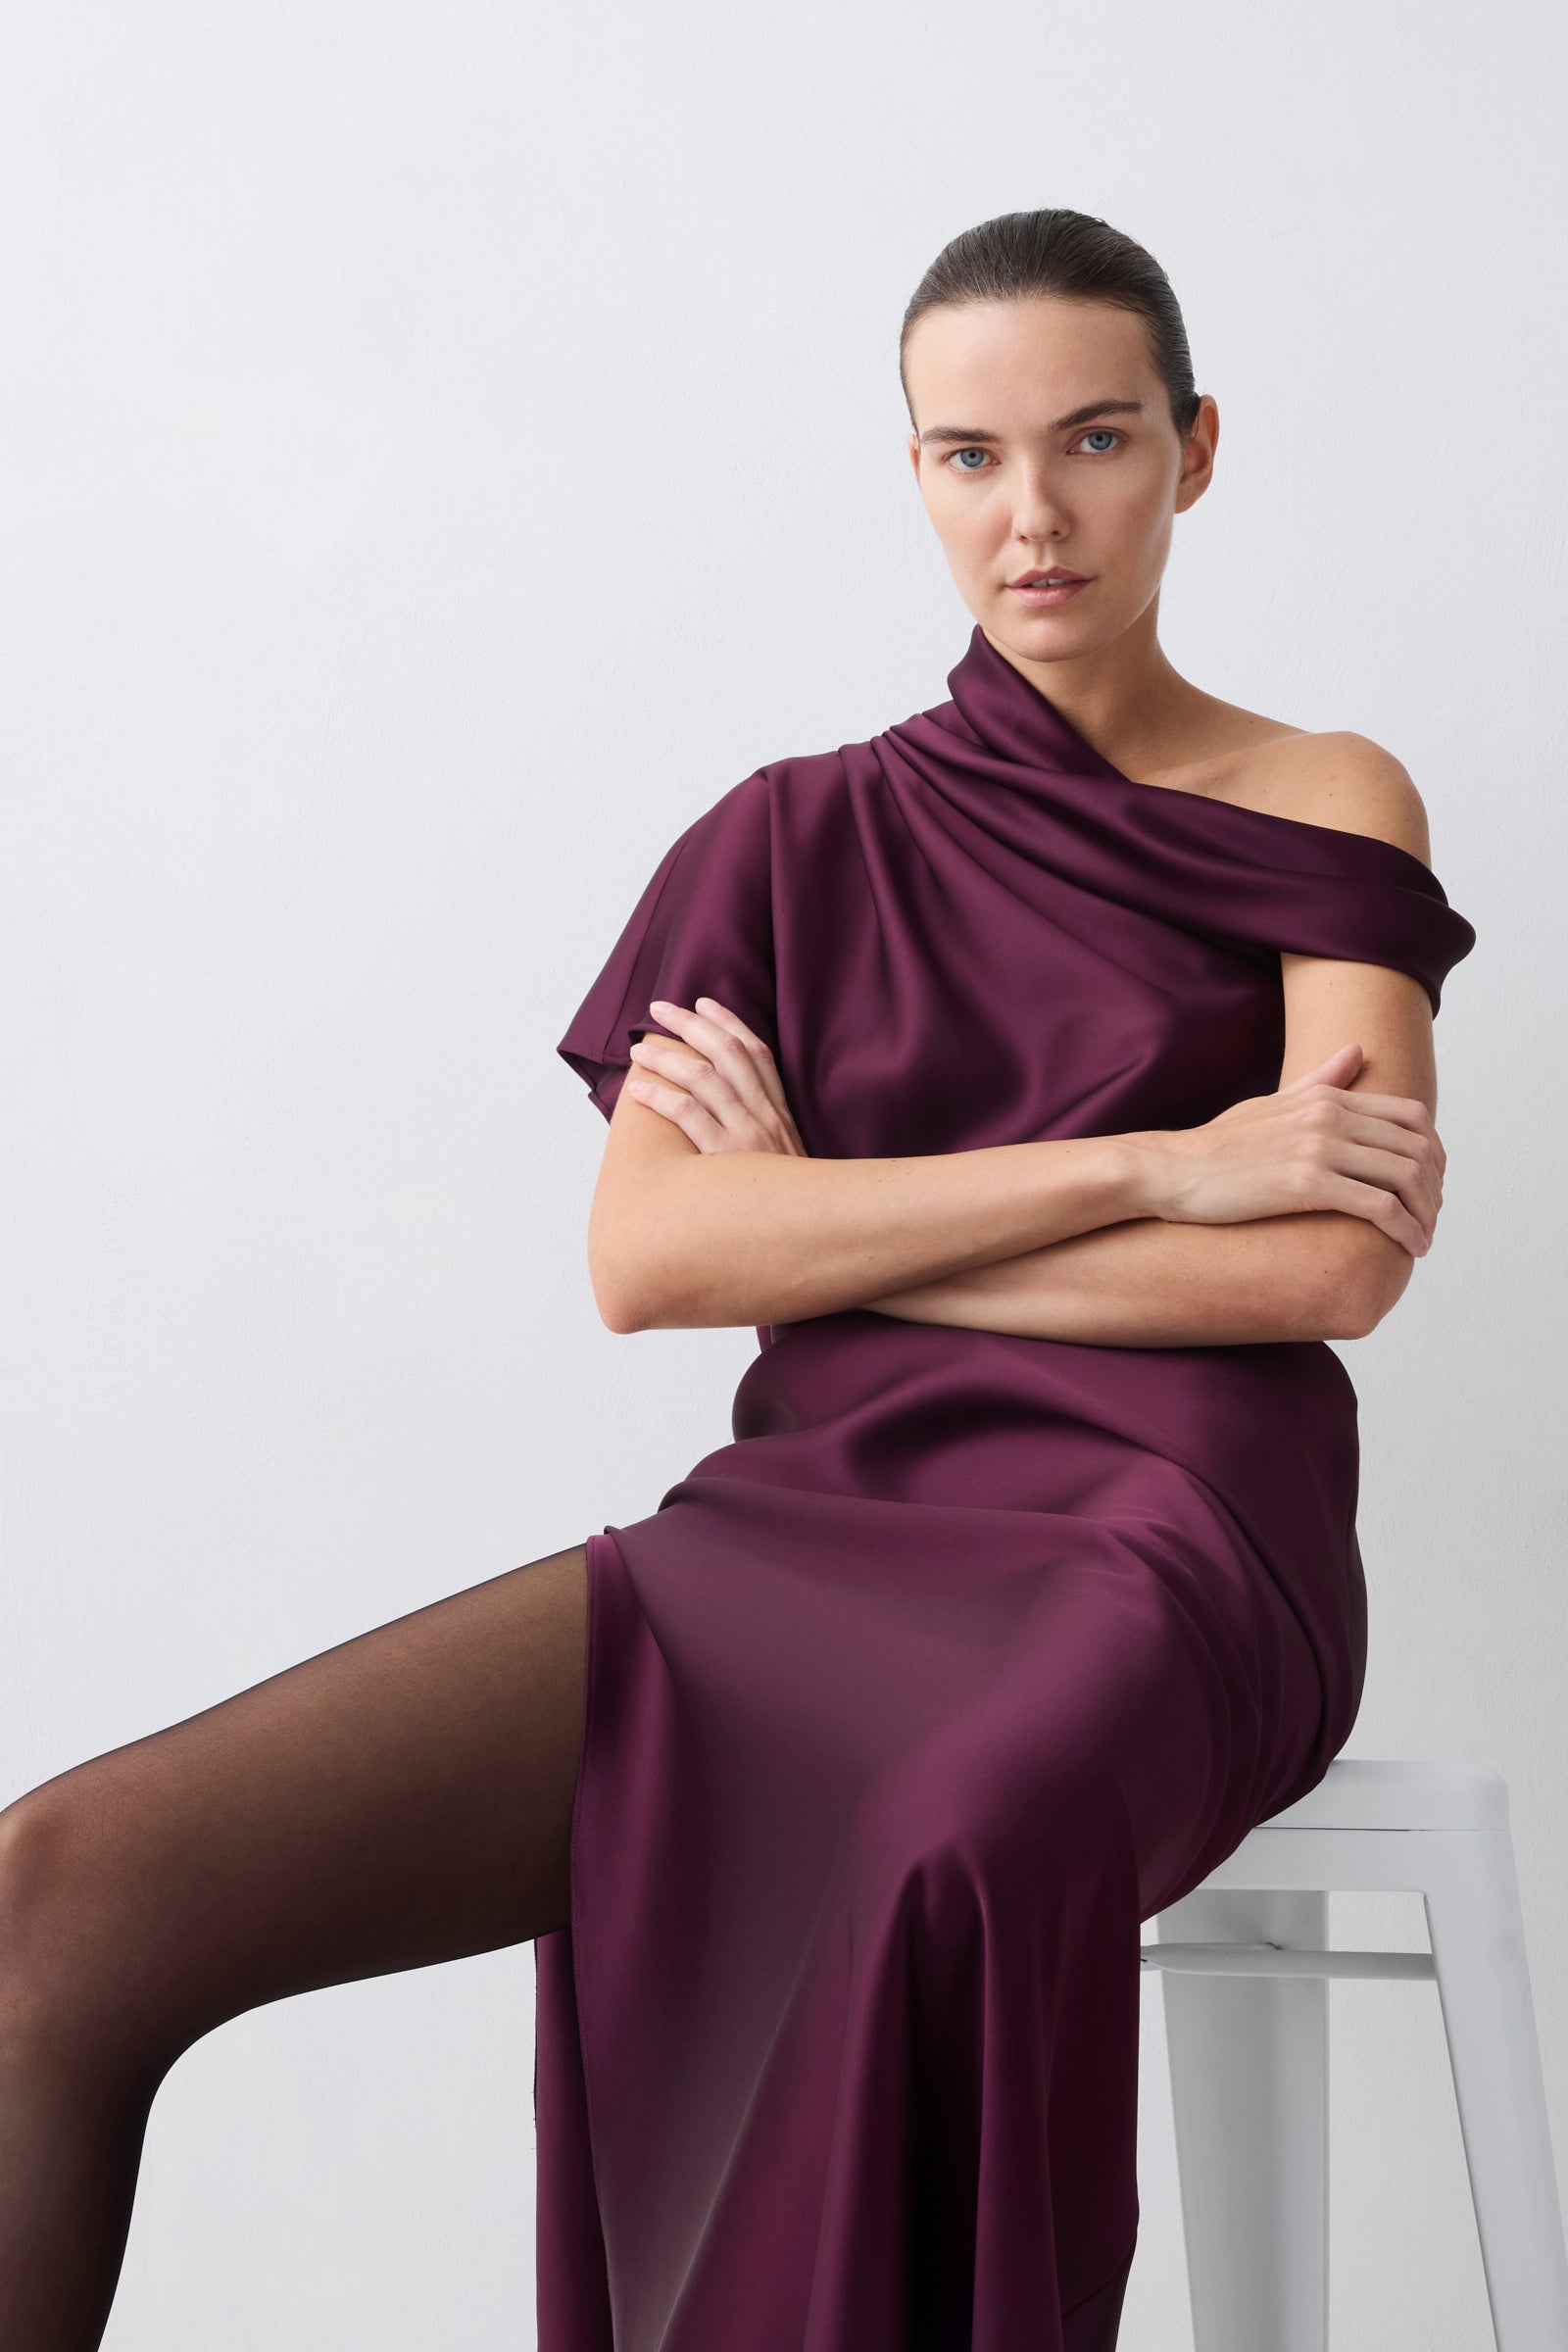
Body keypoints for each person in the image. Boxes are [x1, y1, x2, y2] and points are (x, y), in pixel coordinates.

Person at [0, 206, 1475, 2352]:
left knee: (946, 1840)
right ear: (910, 474)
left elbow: (1328, 1266)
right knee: (59, 1894)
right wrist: (1162, 1168)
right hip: (794, 1542)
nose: (1032, 515)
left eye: (1091, 441)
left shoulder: (1325, 795)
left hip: (1165, 1548)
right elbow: (653, 1257)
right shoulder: (788, 839)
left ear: (1193, 449)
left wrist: (846, 1228)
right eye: (967, 457)